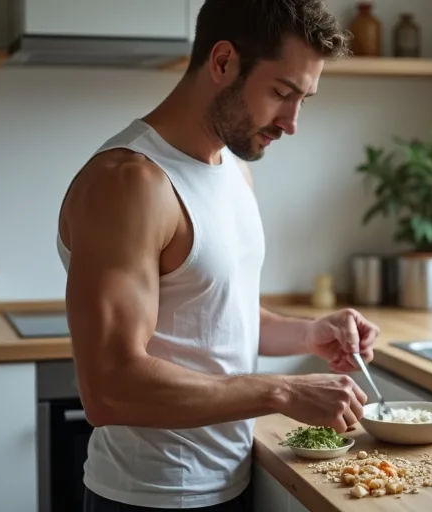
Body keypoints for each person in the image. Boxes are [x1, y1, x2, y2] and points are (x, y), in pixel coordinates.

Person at [55, 0, 381, 510]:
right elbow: (108, 388)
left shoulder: (232, 169)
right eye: (281, 92)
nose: (292, 122)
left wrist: (307, 333)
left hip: (231, 480)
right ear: (223, 61)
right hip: (153, 497)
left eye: (304, 99)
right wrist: (282, 392)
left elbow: (212, 314)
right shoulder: (129, 183)